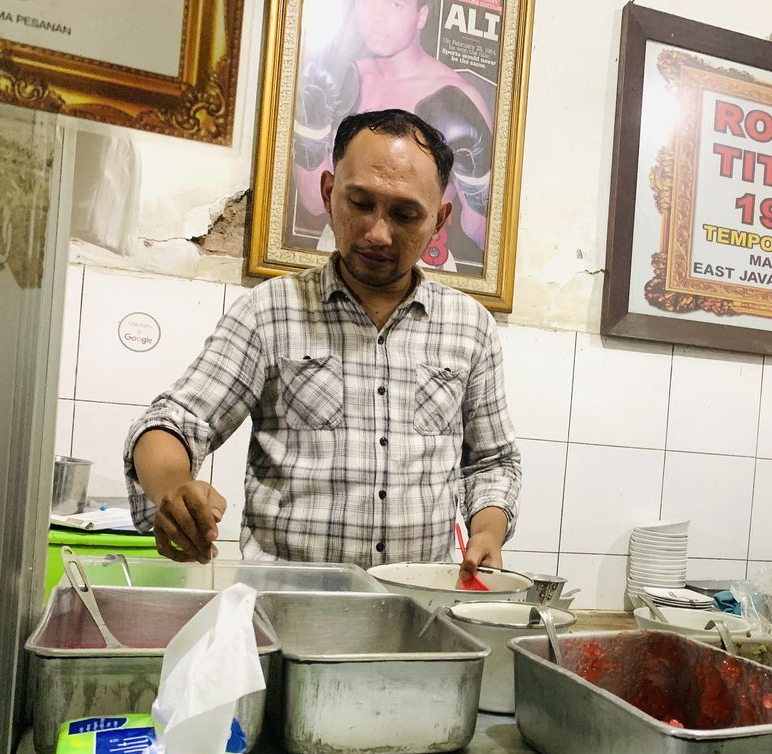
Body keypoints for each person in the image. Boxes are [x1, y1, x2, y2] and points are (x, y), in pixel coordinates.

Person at [123, 109, 520, 586]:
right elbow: (172, 422)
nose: (378, 233)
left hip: (419, 609)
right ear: (329, 193)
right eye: (360, 203)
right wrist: (174, 489)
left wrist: (488, 531)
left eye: (405, 214)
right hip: (285, 608)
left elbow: (493, 462)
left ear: (440, 220)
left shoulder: (469, 327)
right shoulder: (271, 311)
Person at [291, 0, 493, 270]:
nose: (378, 17)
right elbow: (314, 202)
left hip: (420, 266)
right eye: (368, 4)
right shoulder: (339, 80)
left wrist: (476, 185)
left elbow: (481, 234)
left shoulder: (457, 98)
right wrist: (311, 132)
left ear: (421, 16)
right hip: (340, 257)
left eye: (395, 5)